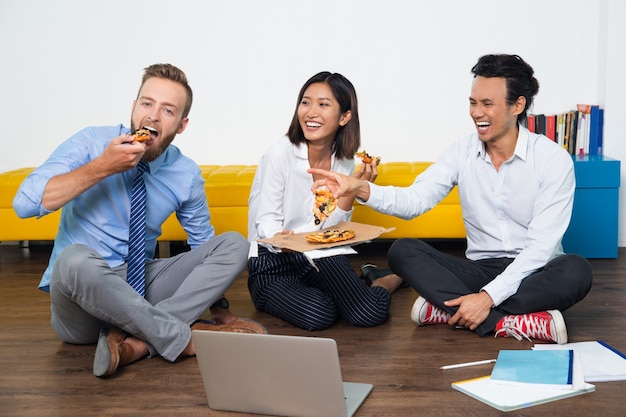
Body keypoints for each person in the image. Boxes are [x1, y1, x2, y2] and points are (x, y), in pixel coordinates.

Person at [309, 54, 593, 344]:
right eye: (473, 102)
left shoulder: (553, 160)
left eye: (487, 104)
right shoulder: (460, 152)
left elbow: (540, 248)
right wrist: (358, 188)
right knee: (402, 252)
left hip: (535, 269)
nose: (476, 112)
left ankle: (450, 311)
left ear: (517, 105)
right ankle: (512, 321)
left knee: (576, 271)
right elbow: (415, 201)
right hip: (480, 270)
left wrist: (487, 298)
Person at [13, 63, 266, 378]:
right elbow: (24, 204)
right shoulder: (91, 143)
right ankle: (180, 338)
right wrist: (103, 166)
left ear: (182, 125)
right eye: (147, 104)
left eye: (168, 110)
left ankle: (137, 344)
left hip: (139, 288)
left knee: (235, 244)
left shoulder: (185, 173)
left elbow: (204, 243)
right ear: (134, 108)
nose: (153, 116)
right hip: (80, 300)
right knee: (74, 259)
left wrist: (220, 309)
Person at [247, 71, 405, 331]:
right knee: (320, 314)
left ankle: (386, 279)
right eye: (305, 102)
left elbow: (330, 230)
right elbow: (265, 221)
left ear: (344, 117)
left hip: (318, 255)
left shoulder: (343, 160)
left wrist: (352, 190)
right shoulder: (279, 154)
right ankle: (342, 292)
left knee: (369, 313)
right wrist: (281, 238)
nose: (310, 112)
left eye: (323, 104)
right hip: (272, 263)